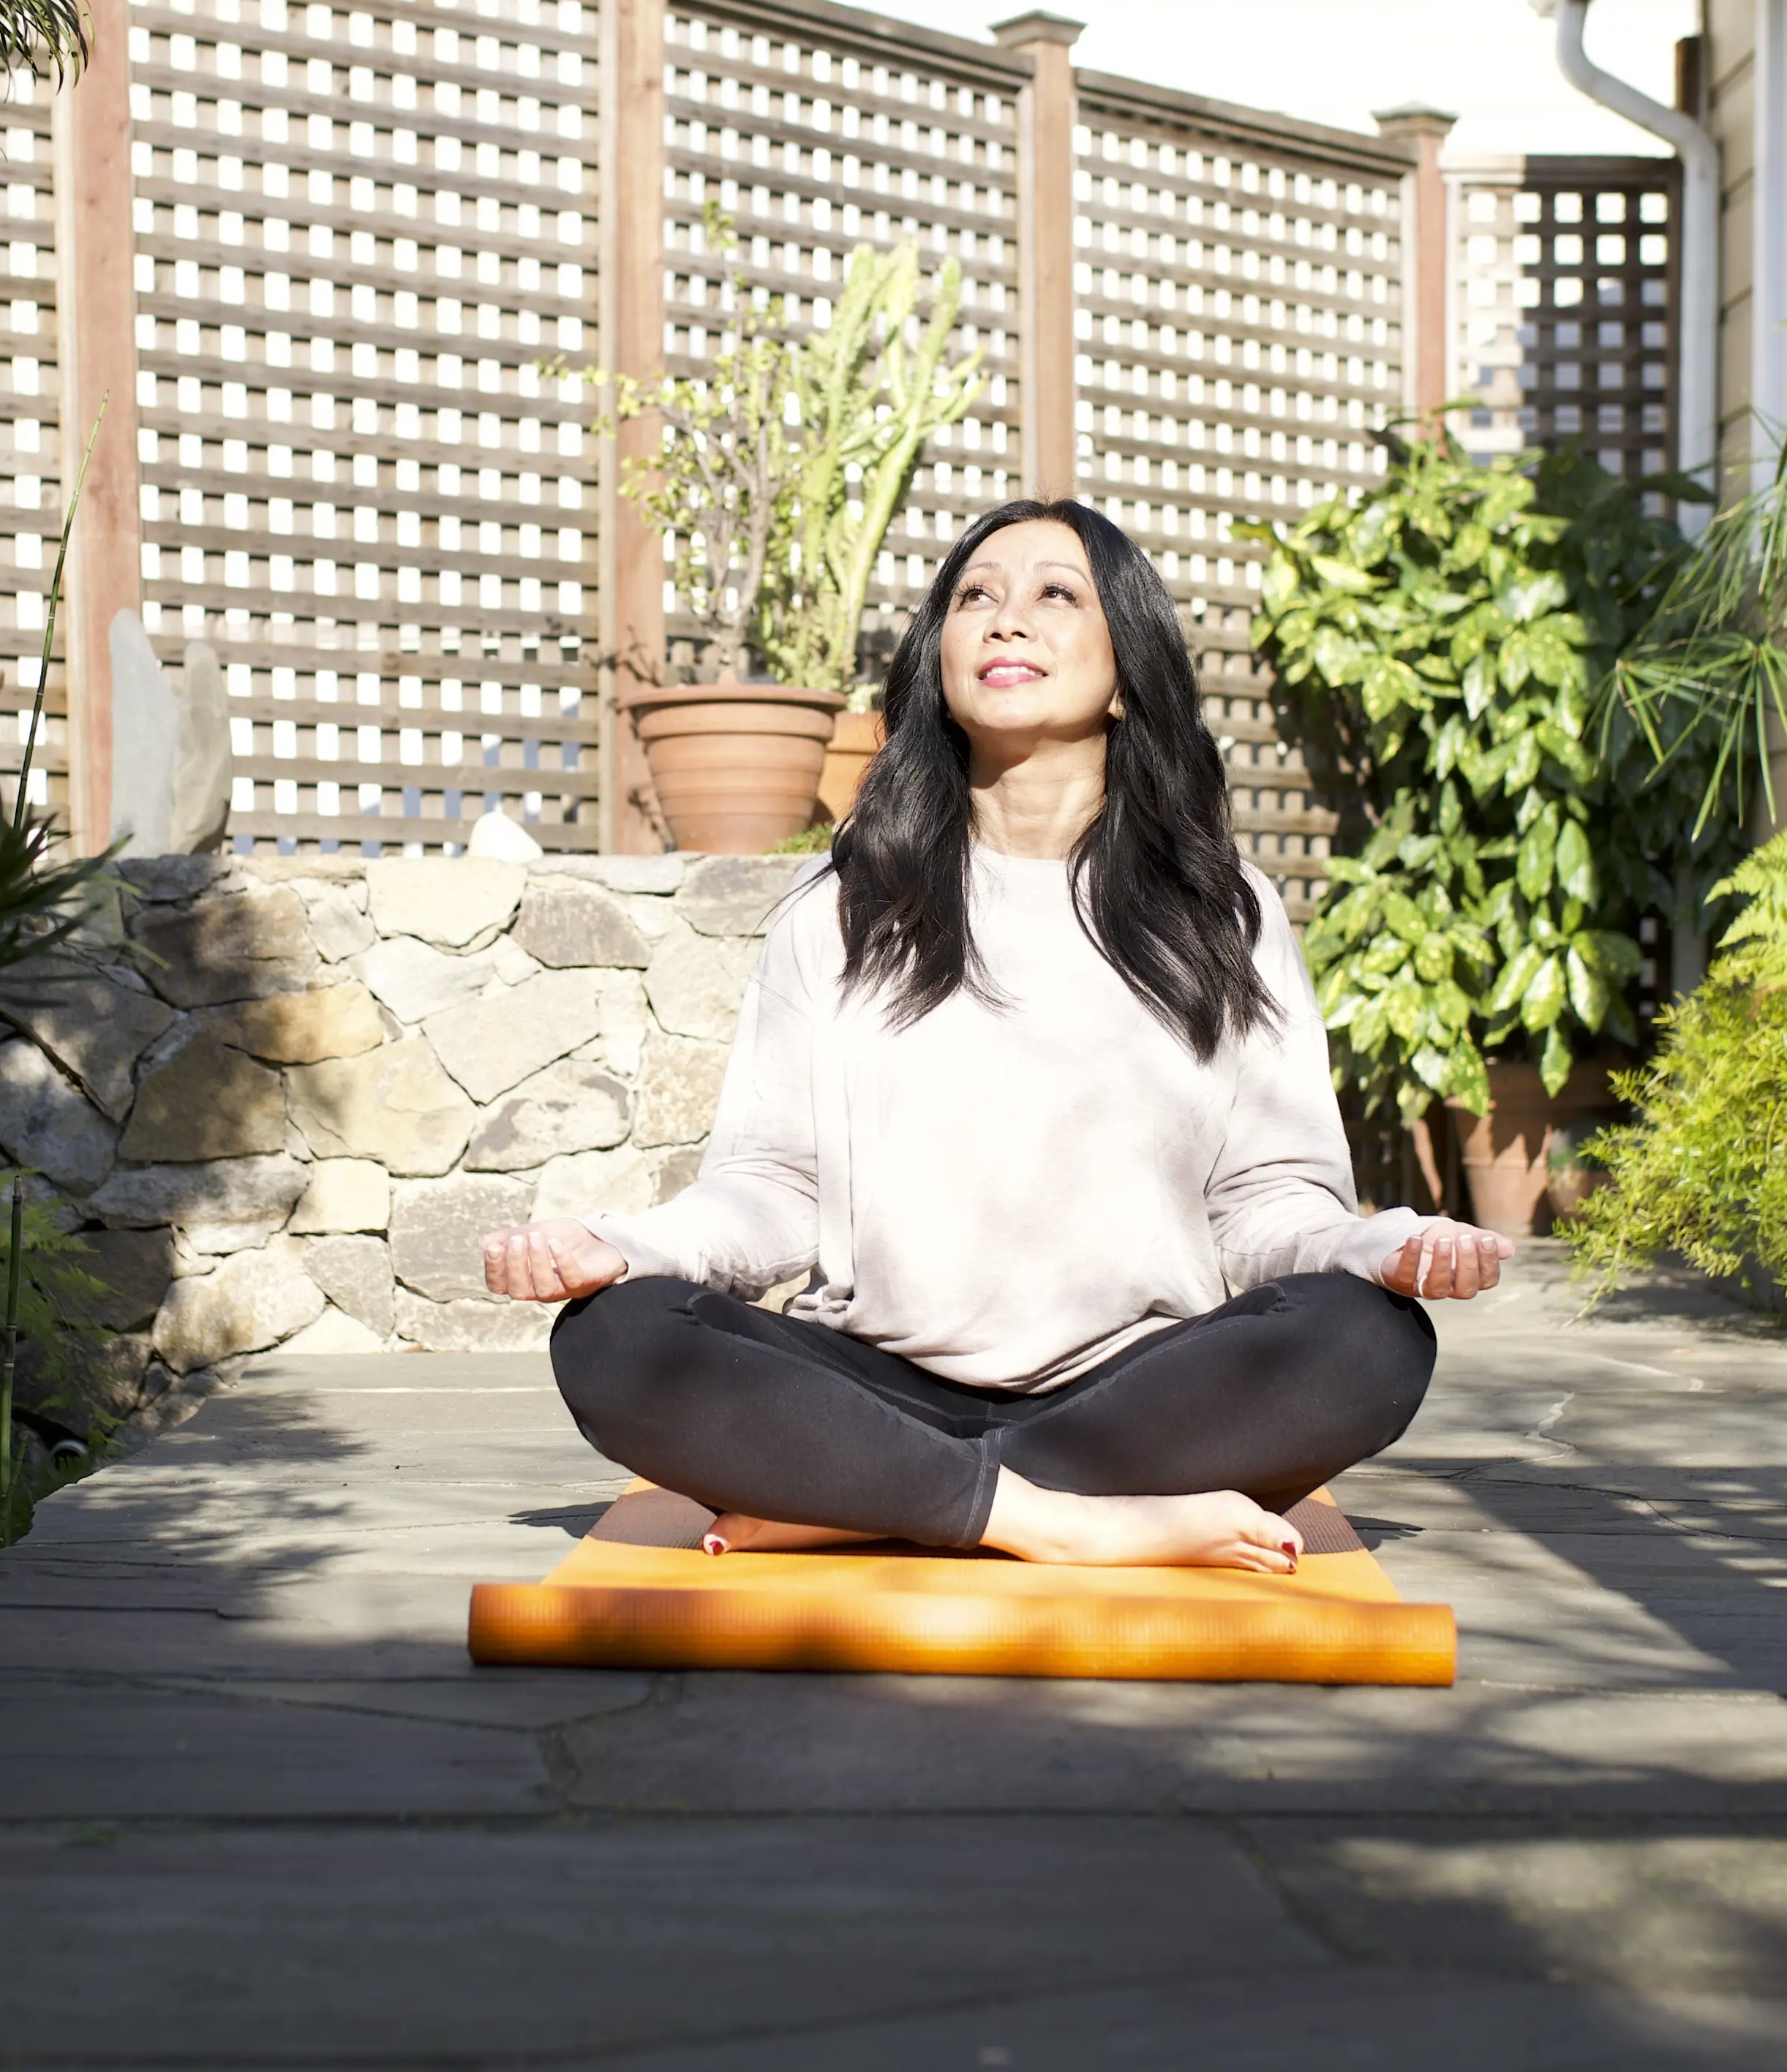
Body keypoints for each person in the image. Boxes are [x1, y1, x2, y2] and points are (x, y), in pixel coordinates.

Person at [482, 500, 1512, 1575]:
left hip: (1134, 1392)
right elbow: (777, 1185)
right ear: (941, 660)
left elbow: (1266, 1202)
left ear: (1127, 675)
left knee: (1369, 1341)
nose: (1004, 621)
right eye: (976, 597)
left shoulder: (1222, 911)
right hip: (873, 1378)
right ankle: (1066, 1521)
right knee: (617, 1340)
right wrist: (632, 1249)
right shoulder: (842, 902)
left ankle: (873, 1495)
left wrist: (1374, 1248)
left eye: (1055, 595)